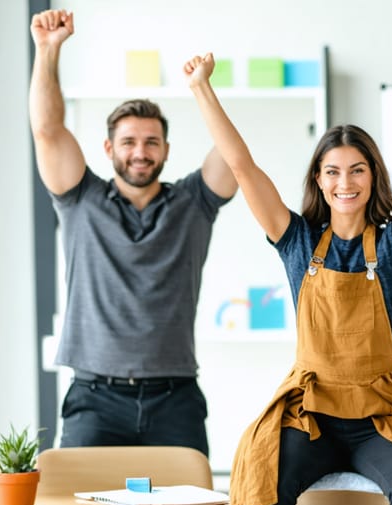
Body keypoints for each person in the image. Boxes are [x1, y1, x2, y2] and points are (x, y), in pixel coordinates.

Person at [185, 51, 392, 505]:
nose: (345, 182)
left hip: (384, 417)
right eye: (333, 171)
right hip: (311, 415)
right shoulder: (296, 242)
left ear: (373, 177)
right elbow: (242, 168)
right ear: (319, 179)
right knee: (261, 483)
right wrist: (201, 88)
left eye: (357, 170)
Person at [29, 9, 238, 457]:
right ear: (109, 149)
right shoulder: (80, 198)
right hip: (94, 398)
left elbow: (235, 157)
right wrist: (48, 52)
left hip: (175, 398)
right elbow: (46, 132)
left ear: (165, 149)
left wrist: (201, 88)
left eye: (151, 142)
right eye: (128, 142)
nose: (139, 152)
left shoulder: (193, 202)